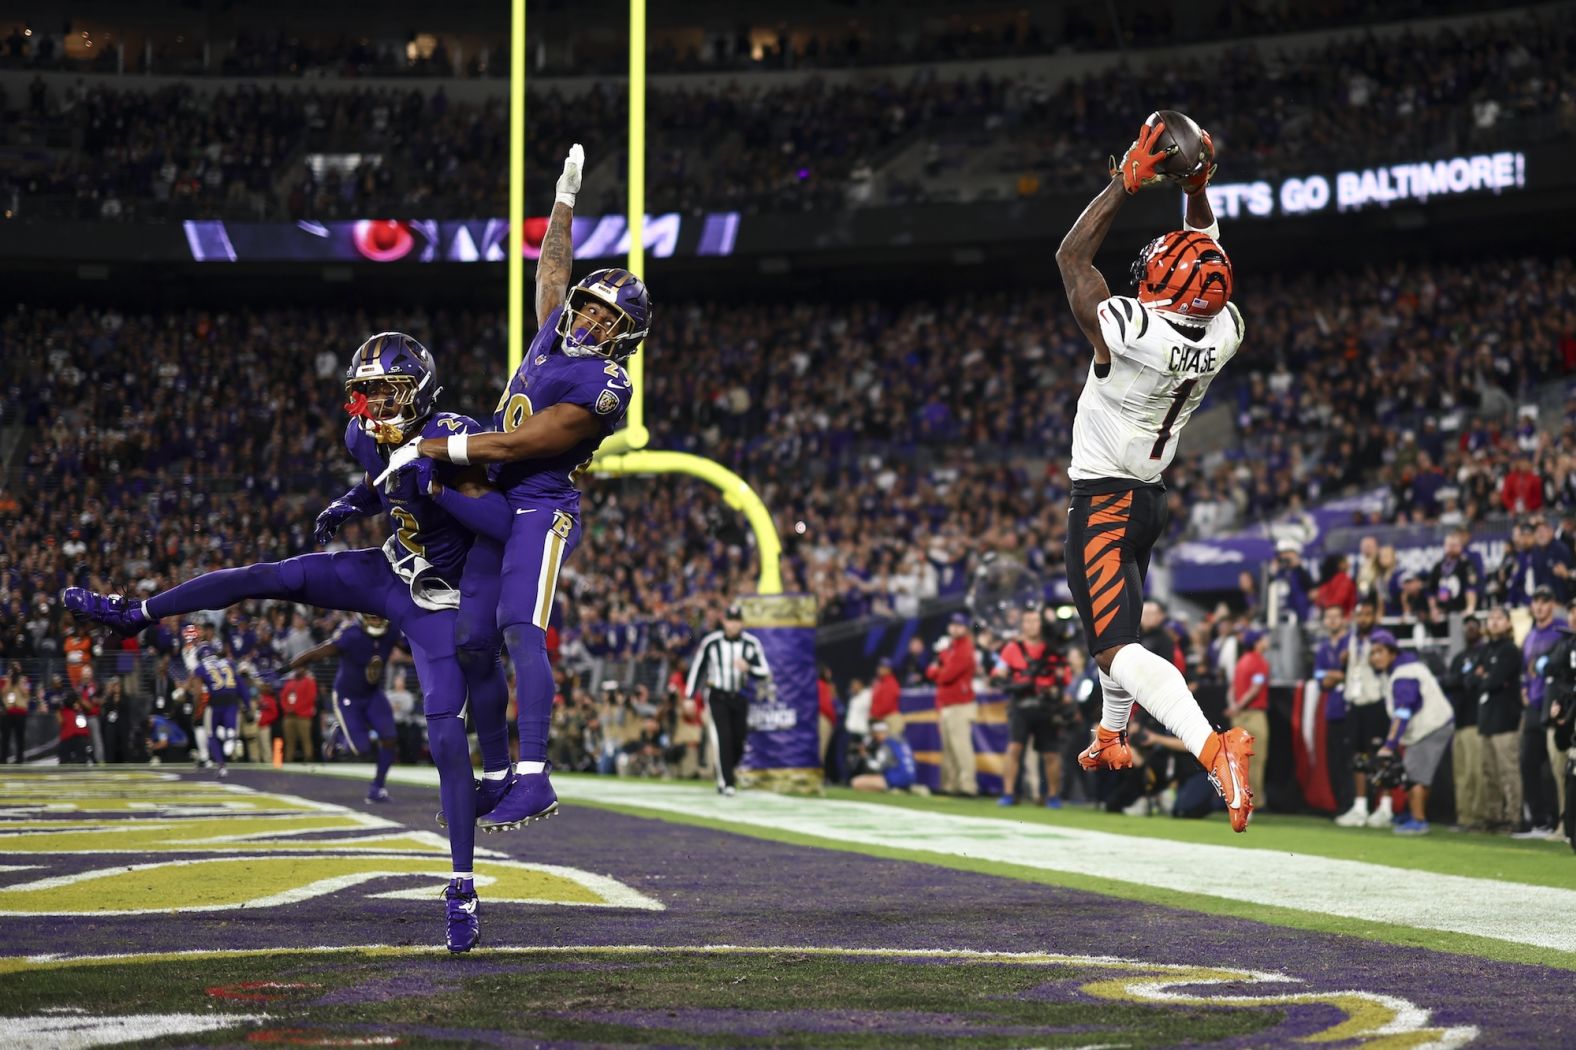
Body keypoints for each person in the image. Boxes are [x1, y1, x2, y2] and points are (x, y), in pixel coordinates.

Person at [63, 329, 512, 953]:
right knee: (268, 576)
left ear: (420, 391)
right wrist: (351, 500)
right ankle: (137, 612)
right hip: (389, 571)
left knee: (442, 730)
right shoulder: (364, 436)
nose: (375, 408)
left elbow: (504, 520)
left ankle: (462, 885)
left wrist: (433, 475)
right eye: (367, 395)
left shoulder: (457, 438)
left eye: (388, 394)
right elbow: (382, 479)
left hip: (443, 599)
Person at [378, 144, 650, 840]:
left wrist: (433, 447)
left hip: (539, 506)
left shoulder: (606, 386)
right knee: (473, 640)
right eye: (588, 309)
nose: (587, 321)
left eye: (604, 321)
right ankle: (497, 773)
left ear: (626, 339)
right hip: (498, 501)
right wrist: (563, 201)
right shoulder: (554, 337)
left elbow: (520, 446)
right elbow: (553, 263)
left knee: (520, 630)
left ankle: (535, 778)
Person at [1055, 113, 1254, 832]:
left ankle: (1213, 747)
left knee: (1113, 643)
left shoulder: (1133, 330)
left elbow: (1072, 261)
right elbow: (1205, 245)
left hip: (1106, 500)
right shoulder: (1224, 325)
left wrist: (1121, 185)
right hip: (1149, 500)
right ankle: (1110, 735)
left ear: (1159, 291)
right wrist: (1196, 184)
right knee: (1122, 630)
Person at [288, 614, 402, 803]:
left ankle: (377, 788)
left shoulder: (391, 631)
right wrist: (287, 667)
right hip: (348, 697)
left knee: (390, 738)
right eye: (371, 617)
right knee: (361, 750)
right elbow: (319, 652)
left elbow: (412, 645)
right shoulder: (352, 633)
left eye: (378, 617)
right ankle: (339, 733)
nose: (376, 621)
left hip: (373, 694)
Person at [1368, 631, 1456, 835]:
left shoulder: (1404, 673)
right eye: (1373, 653)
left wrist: (1390, 745)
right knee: (1417, 772)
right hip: (1434, 724)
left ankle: (1418, 820)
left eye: (1380, 651)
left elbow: (1403, 712)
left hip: (1431, 726)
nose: (1375, 657)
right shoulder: (1402, 667)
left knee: (1414, 775)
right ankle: (1415, 813)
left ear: (1392, 652)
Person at [685, 604, 772, 796]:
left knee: (738, 742)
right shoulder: (711, 642)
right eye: (730, 621)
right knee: (723, 738)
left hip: (739, 697)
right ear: (724, 621)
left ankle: (724, 770)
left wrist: (748, 667)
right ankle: (727, 782)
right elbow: (698, 669)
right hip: (718, 696)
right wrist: (690, 696)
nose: (733, 625)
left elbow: (765, 671)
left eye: (736, 621)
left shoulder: (751, 643)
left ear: (741, 623)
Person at [993, 603, 1072, 807]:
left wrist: (1056, 687)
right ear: (1021, 625)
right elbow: (997, 675)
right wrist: (1013, 684)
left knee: (1050, 753)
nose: (1031, 625)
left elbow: (1066, 677)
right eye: (1027, 621)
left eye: (1035, 620)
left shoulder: (1052, 650)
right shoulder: (1012, 648)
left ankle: (1053, 796)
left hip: (1046, 706)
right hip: (1020, 705)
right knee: (1014, 748)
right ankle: (1009, 793)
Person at [1335, 598, 1392, 827]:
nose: (1363, 619)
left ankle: (1385, 806)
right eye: (1359, 615)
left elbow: (1385, 666)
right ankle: (1360, 807)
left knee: (1380, 756)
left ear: (1374, 617)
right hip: (1356, 703)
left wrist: (1376, 657)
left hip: (1376, 702)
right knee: (1358, 756)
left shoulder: (1382, 639)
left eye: (1367, 615)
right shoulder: (1351, 639)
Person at [1516, 587, 1566, 838]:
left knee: (1559, 767)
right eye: (1536, 601)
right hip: (1533, 706)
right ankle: (1540, 822)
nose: (1539, 606)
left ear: (1553, 604)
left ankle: (1565, 823)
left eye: (1545, 601)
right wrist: (1524, 688)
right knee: (1527, 763)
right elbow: (1526, 669)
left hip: (1555, 705)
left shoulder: (1560, 630)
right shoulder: (1530, 634)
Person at [1476, 606, 1525, 832]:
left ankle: (1514, 817)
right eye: (1491, 618)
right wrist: (1484, 678)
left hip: (1505, 719)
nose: (1494, 622)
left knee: (1508, 771)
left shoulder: (1510, 650)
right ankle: (1493, 816)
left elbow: (1493, 680)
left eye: (1499, 618)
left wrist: (1484, 677)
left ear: (1508, 623)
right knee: (1489, 773)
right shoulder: (1485, 650)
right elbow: (1471, 679)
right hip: (1486, 719)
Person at [180, 625, 251, 778]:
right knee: (227, 724)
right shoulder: (228, 662)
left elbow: (198, 691)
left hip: (214, 699)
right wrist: (248, 705)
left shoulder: (200, 666)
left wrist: (196, 709)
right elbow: (241, 684)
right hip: (232, 697)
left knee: (210, 733)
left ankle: (221, 765)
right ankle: (230, 735)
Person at [1439, 616, 1488, 828]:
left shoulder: (1484, 654)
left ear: (1480, 629)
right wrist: (1466, 678)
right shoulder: (1460, 657)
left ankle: (1478, 817)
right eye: (1467, 626)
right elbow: (1448, 682)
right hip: (1459, 721)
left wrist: (1463, 679)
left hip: (1476, 720)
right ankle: (1464, 816)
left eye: (1474, 626)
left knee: (1476, 773)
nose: (1470, 629)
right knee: (1460, 775)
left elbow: (1470, 682)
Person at [927, 612, 978, 796]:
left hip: (960, 704)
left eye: (959, 625)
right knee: (948, 748)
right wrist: (938, 667)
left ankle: (967, 786)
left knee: (961, 747)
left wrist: (938, 664)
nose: (955, 627)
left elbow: (945, 675)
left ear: (965, 628)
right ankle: (950, 785)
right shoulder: (952, 646)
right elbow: (930, 670)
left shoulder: (964, 648)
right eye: (953, 624)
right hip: (948, 704)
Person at [1312, 605, 1354, 816]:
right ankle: (1342, 806)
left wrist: (1334, 675)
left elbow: (1354, 674)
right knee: (1335, 762)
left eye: (1337, 617)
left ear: (1344, 619)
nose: (1333, 621)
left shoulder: (1352, 642)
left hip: (1351, 710)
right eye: (1329, 617)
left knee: (1351, 760)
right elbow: (1320, 679)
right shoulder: (1323, 648)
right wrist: (1338, 674)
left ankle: (1354, 805)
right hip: (1333, 710)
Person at [1226, 628, 1271, 809]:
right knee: (1256, 761)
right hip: (1253, 715)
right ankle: (1252, 802)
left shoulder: (1241, 661)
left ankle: (1237, 800)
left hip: (1238, 717)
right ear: (1257, 642)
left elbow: (1232, 688)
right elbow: (1256, 688)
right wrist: (1239, 705)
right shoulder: (1260, 662)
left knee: (1238, 761)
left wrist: (1233, 706)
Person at [850, 721, 919, 793]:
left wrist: (865, 756)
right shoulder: (902, 742)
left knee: (855, 782)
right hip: (911, 779)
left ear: (880, 733)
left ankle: (894, 789)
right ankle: (904, 788)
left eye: (875, 734)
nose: (875, 737)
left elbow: (877, 767)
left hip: (894, 779)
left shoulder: (886, 745)